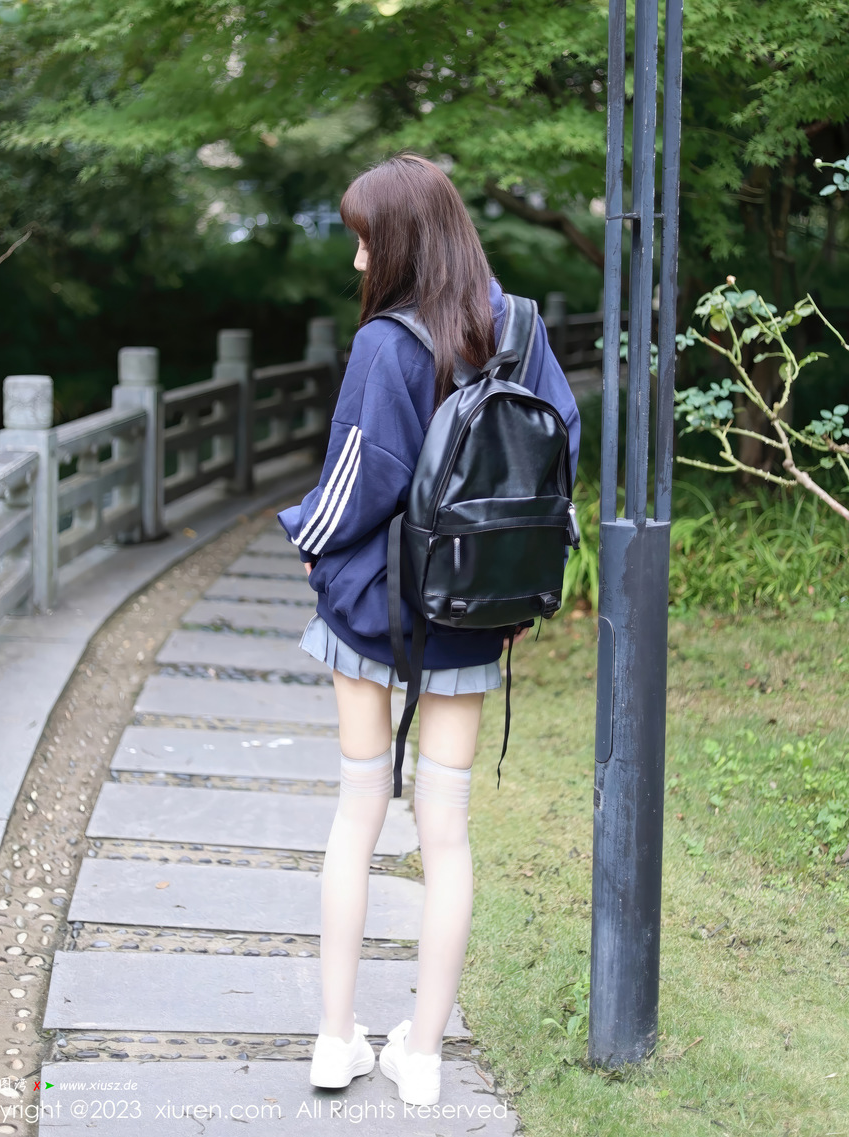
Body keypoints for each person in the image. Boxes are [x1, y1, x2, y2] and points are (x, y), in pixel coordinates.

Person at [278, 153, 580, 1105]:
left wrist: (308, 545)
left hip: (378, 612)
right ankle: (425, 1056)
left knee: (357, 815)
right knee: (446, 835)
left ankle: (336, 1038)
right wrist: (518, 579)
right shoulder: (518, 326)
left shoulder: (387, 345)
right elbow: (561, 446)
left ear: (403, 240)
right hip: (471, 615)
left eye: (366, 239)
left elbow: (358, 479)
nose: (358, 259)